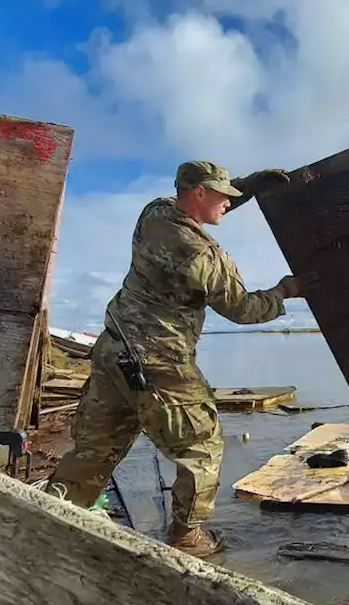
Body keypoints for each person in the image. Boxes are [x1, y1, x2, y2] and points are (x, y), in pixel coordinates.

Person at [44, 160, 299, 558]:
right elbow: (244, 309)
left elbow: (207, 201)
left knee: (94, 448)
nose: (230, 203)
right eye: (224, 196)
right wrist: (285, 291)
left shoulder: (156, 212)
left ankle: (53, 519)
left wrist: (247, 185)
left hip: (115, 349)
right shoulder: (199, 253)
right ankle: (188, 538)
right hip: (157, 362)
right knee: (202, 446)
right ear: (199, 193)